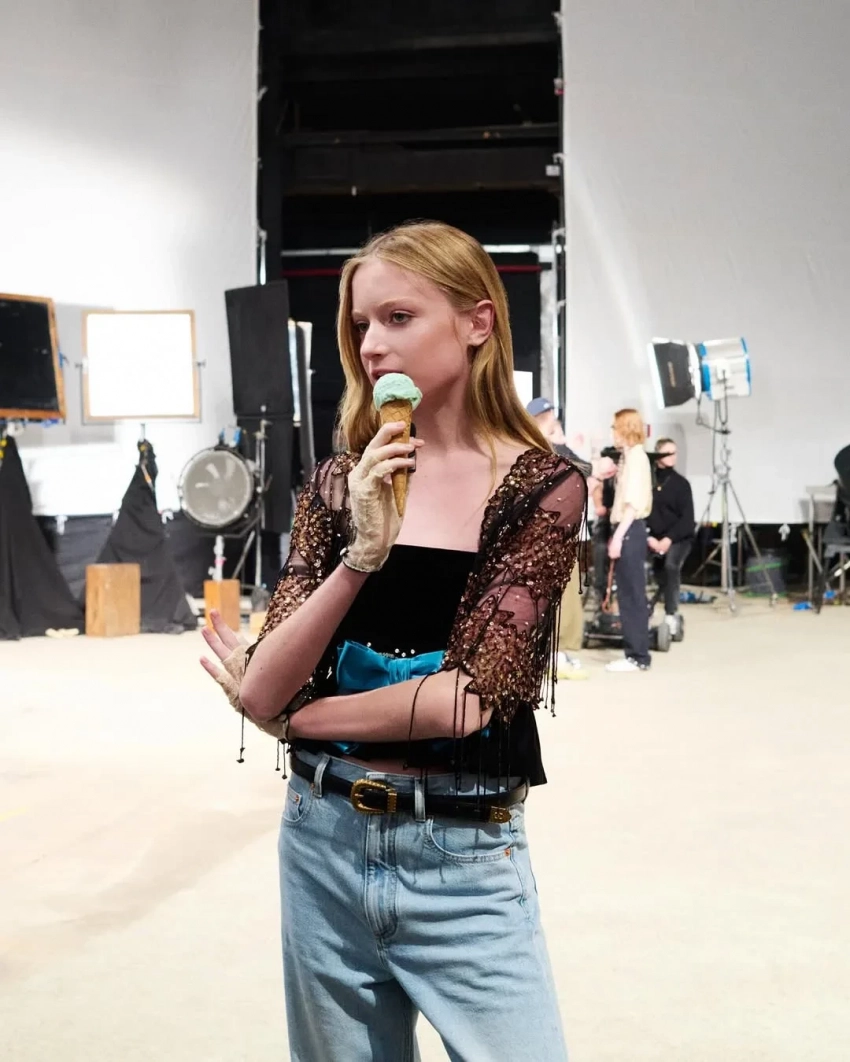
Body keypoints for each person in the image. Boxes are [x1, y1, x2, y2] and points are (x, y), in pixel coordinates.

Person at [200, 221, 586, 1062]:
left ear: (477, 322)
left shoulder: (540, 484)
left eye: (398, 317)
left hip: (464, 853)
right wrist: (361, 557)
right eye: (360, 324)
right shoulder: (340, 483)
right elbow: (266, 681)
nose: (371, 345)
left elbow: (466, 699)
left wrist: (299, 719)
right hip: (322, 839)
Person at [526, 396, 616, 679]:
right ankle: (556, 656)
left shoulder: (544, 450)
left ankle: (553, 654)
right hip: (553, 535)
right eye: (550, 421)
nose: (555, 423)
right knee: (561, 596)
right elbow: (582, 467)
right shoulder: (544, 450)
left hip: (557, 534)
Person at [605, 408, 653, 673]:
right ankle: (635, 652)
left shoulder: (636, 458)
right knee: (627, 592)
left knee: (632, 594)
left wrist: (618, 537)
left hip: (630, 528)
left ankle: (637, 655)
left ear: (625, 429)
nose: (612, 432)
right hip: (627, 528)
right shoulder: (628, 458)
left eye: (615, 427)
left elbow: (633, 504)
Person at [647, 437, 694, 638]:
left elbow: (687, 520)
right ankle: (641, 610)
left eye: (674, 452)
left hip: (677, 538)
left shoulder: (681, 484)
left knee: (671, 566)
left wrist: (668, 539)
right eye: (668, 452)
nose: (672, 456)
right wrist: (649, 537)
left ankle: (671, 613)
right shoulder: (646, 482)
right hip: (650, 536)